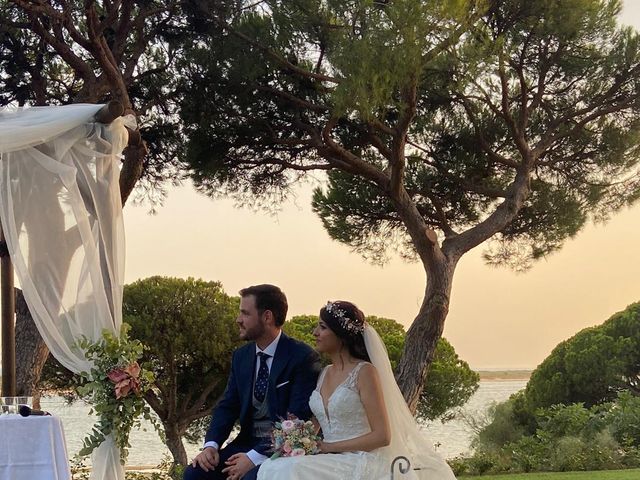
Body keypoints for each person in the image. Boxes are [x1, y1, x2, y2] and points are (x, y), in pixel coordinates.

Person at [257, 301, 457, 480]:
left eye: (323, 327)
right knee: (271, 466)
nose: (315, 333)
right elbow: (323, 419)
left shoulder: (365, 372)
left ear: (341, 335)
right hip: (330, 458)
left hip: (362, 458)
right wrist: (298, 440)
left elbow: (382, 436)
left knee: (291, 470)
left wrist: (327, 447)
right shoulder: (325, 372)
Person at [184, 284, 321, 480]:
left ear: (267, 317)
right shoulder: (241, 356)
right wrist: (211, 446)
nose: (238, 320)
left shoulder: (303, 357)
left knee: (252, 478)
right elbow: (227, 405)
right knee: (195, 474)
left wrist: (253, 457)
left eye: (245, 313)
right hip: (245, 442)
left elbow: (298, 416)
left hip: (284, 450)